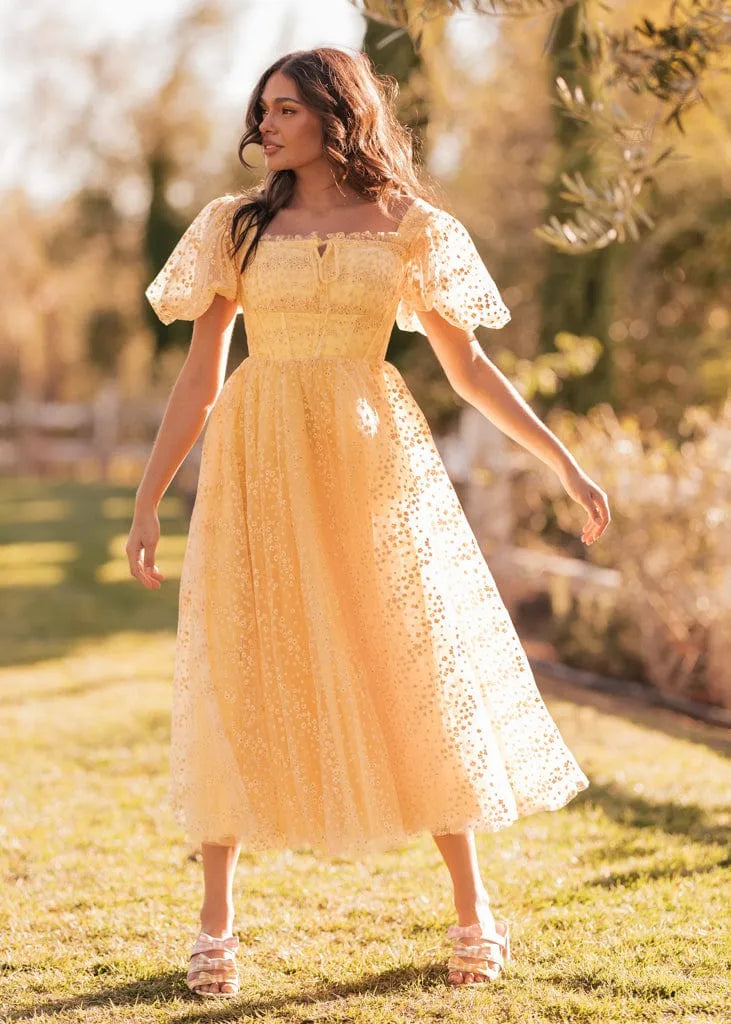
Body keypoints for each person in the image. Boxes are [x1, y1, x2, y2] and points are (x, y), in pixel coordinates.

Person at [128, 46, 610, 999]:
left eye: (286, 109)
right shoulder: (233, 225)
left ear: (336, 115)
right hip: (257, 465)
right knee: (239, 662)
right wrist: (149, 499)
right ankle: (215, 922)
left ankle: (473, 910)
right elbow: (199, 378)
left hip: (369, 461)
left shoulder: (410, 226)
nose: (265, 124)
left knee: (413, 659)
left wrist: (562, 459)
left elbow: (469, 368)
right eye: (262, 108)